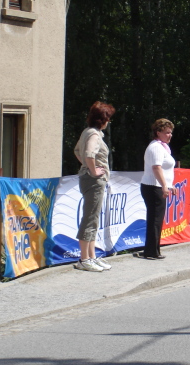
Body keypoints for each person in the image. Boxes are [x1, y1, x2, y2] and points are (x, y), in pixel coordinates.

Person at [73, 101, 116, 272]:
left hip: (89, 178)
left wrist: (87, 165)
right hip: (93, 180)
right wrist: (93, 169)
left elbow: (77, 151)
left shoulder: (88, 132)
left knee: (93, 218)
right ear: (102, 120)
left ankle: (91, 256)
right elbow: (89, 153)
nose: (108, 122)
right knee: (90, 218)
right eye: (108, 119)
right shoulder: (94, 135)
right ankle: (84, 259)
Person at [137, 118, 178, 260]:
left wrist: (169, 185)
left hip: (157, 186)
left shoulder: (163, 147)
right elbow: (156, 167)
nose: (170, 135)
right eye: (167, 132)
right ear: (158, 132)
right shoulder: (155, 147)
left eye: (171, 133)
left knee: (156, 219)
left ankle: (152, 249)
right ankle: (151, 251)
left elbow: (165, 170)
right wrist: (164, 186)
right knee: (155, 219)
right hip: (153, 187)